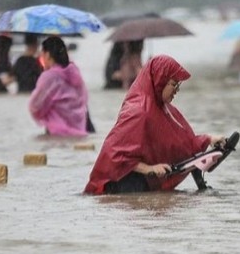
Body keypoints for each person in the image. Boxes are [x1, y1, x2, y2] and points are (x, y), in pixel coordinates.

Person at [84, 55, 225, 194]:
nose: (177, 90)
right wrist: (149, 169)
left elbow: (181, 142)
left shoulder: (164, 109)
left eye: (178, 85)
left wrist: (209, 139)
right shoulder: (138, 111)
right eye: (174, 84)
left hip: (143, 184)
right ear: (160, 81)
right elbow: (115, 155)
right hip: (122, 184)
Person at [28, 36, 90, 136]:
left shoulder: (49, 77)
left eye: (42, 55)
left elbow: (35, 106)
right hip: (80, 132)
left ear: (47, 55)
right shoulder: (75, 73)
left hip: (56, 133)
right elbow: (84, 99)